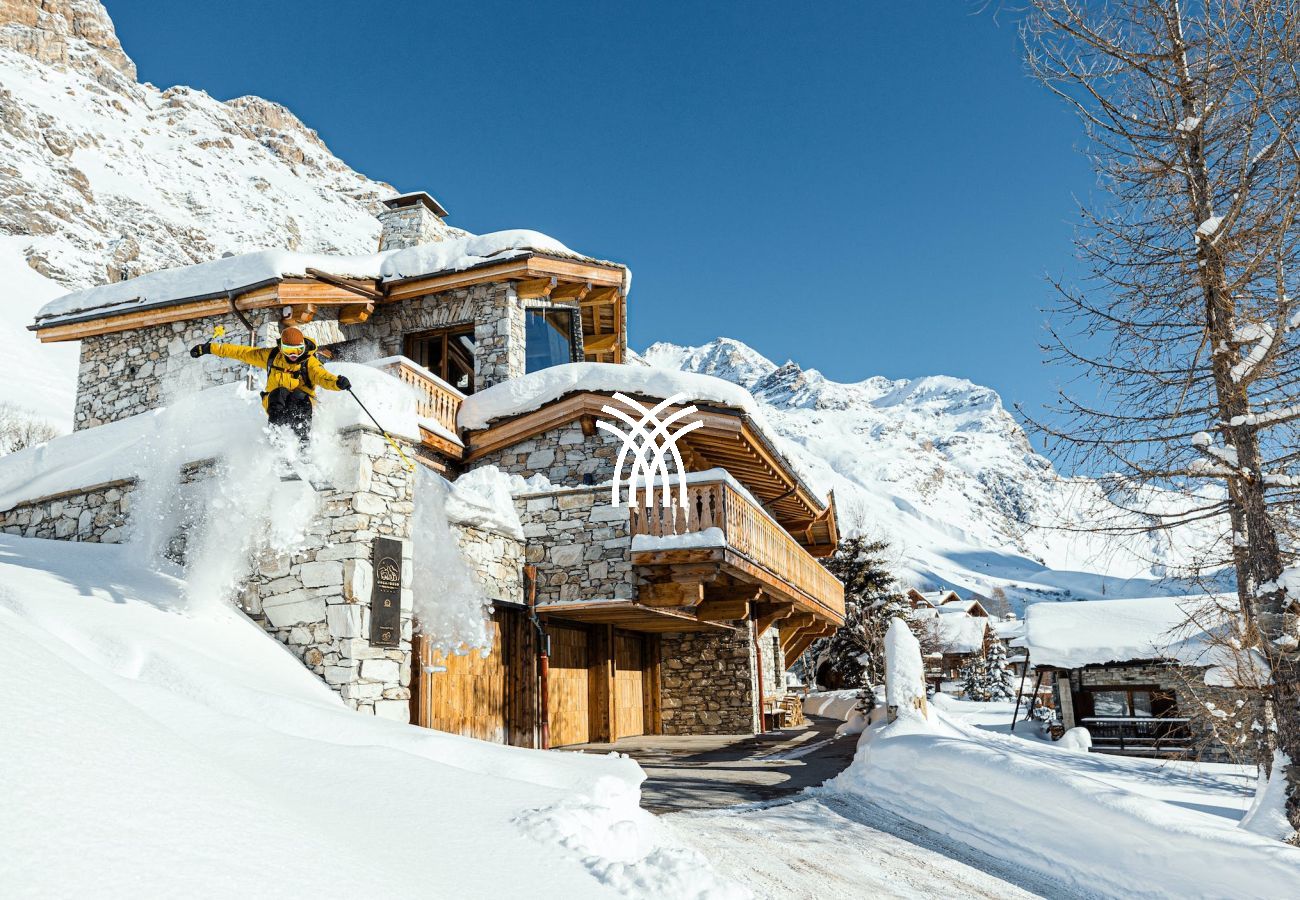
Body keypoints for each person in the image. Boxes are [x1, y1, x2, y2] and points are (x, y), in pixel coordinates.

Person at [190, 326, 350, 444]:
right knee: (279, 392)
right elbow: (240, 352)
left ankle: (303, 443)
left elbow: (323, 377)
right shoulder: (271, 356)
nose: (294, 355)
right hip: (276, 403)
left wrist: (337, 382)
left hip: (301, 404)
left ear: (303, 347)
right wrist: (208, 348)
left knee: (297, 396)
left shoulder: (309, 363)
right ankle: (277, 441)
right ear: (281, 348)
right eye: (289, 350)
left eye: (298, 350)